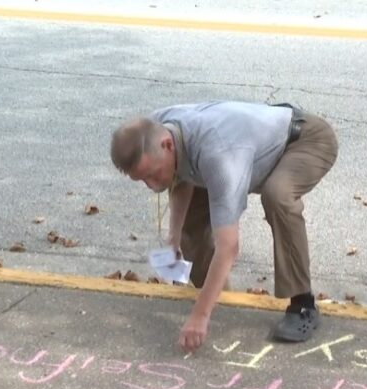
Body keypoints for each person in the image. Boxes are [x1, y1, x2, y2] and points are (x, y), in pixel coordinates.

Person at [109, 100, 338, 352]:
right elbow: (181, 175)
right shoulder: (157, 129)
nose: (152, 185)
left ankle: (303, 305)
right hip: (244, 145)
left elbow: (228, 246)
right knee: (190, 222)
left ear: (167, 145)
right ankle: (222, 297)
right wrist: (173, 237)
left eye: (152, 174)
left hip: (304, 140)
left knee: (277, 195)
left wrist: (199, 316)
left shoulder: (219, 155)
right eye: (143, 179)